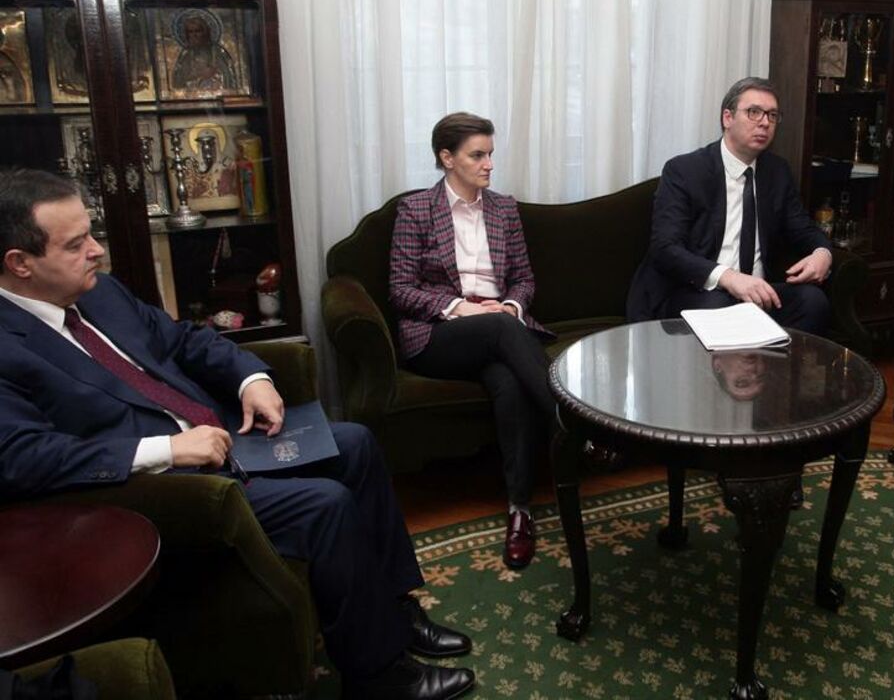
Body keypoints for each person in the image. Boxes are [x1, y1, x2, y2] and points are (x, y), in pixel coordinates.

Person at [0, 169, 475, 700]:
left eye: (91, 234)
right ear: (20, 263)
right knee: (326, 505)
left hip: (223, 437)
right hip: (164, 487)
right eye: (75, 244)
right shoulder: (7, 345)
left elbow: (182, 340)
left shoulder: (99, 292)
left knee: (357, 443)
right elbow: (21, 457)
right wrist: (166, 448)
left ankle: (393, 610)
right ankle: (380, 677)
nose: (97, 251)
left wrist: (251, 379)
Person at [389, 112, 556, 570]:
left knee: (509, 382)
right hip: (439, 335)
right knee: (501, 330)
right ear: (447, 158)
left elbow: (523, 279)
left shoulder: (504, 209)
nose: (489, 164)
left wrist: (511, 306)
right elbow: (401, 289)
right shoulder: (415, 210)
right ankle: (571, 420)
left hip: (498, 328)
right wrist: (462, 308)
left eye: (490, 154)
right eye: (477, 155)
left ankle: (519, 511)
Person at [626, 76, 833, 332]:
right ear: (727, 118)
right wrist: (728, 277)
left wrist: (822, 254)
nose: (765, 122)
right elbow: (665, 248)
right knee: (720, 306)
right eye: (754, 112)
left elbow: (803, 228)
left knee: (813, 302)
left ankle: (772, 359)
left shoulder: (777, 172)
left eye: (772, 115)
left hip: (757, 293)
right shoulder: (685, 171)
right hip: (694, 290)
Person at [170, 10, 237, 94]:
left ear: (205, 32)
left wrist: (216, 73)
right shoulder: (185, 55)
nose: (194, 35)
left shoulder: (217, 52)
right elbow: (178, 81)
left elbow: (228, 77)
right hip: (192, 96)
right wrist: (197, 75)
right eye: (190, 32)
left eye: (198, 31)